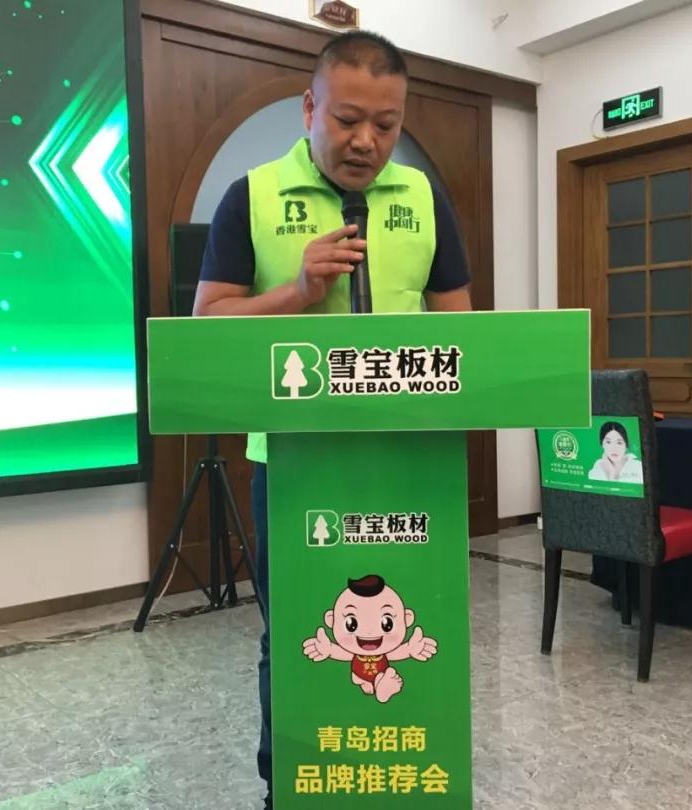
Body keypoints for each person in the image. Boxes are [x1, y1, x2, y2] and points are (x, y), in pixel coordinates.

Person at [192, 29, 472, 809]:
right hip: (293, 461)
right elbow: (208, 325)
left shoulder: (423, 198)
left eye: (386, 124)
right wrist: (297, 292)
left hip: (408, 459)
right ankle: (288, 787)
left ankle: (402, 781)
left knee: (410, 625)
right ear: (310, 108)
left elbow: (463, 331)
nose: (366, 141)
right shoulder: (250, 196)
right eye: (348, 119)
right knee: (297, 631)